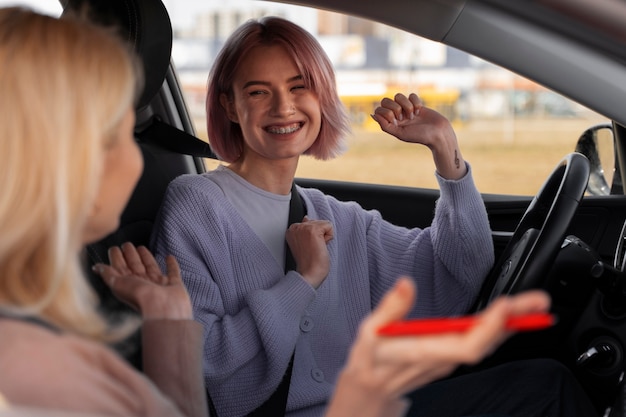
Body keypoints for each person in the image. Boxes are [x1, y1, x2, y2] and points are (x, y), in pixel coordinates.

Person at [148, 15, 598, 417]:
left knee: (542, 380)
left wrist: (445, 152)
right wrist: (302, 282)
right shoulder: (196, 205)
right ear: (229, 106)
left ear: (319, 96)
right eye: (258, 91)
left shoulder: (334, 217)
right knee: (548, 390)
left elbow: (460, 269)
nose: (283, 107)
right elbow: (196, 356)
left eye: (297, 87)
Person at [0, 7, 207, 417]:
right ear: (74, 166)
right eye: (123, 133)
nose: (137, 159)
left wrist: (167, 317)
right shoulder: (47, 383)